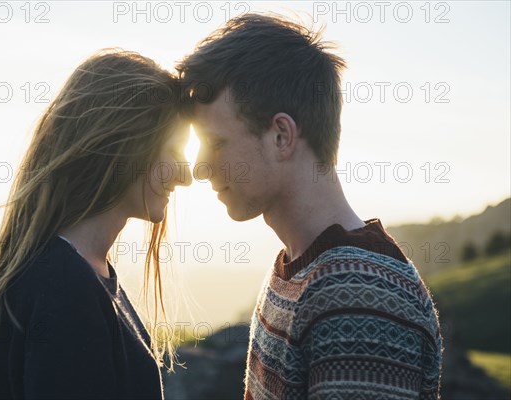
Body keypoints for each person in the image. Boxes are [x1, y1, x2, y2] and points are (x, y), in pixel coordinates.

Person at [177, 14, 442, 399]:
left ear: (281, 136)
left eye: (215, 144)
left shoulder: (357, 296)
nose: (200, 168)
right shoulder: (300, 268)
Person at [0, 49, 192, 399]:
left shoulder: (81, 274)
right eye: (174, 152)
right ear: (125, 146)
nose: (186, 176)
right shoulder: (63, 290)